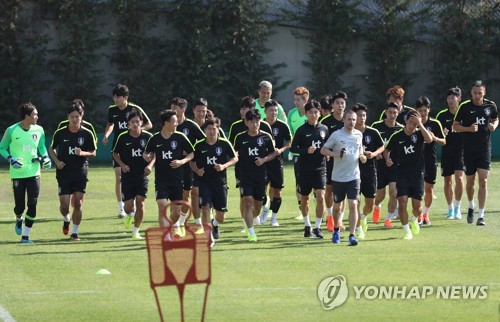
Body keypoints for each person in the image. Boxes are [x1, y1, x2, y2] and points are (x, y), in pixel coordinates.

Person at [0, 102, 51, 244]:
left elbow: (41, 146)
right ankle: (18, 218)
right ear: (27, 116)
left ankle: (25, 236)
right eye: (35, 114)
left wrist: (46, 157)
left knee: (33, 204)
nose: (37, 117)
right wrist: (11, 159)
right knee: (19, 207)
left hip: (34, 173)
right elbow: (2, 148)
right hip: (18, 174)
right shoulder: (11, 130)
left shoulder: (39, 130)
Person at [102, 84, 152, 218]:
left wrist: (136, 131)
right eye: (114, 96)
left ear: (126, 97)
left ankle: (133, 204)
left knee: (136, 176)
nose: (115, 99)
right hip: (120, 149)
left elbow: (149, 124)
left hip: (136, 148)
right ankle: (121, 209)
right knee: (119, 176)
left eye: (118, 97)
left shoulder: (135, 109)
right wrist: (106, 135)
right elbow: (110, 123)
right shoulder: (112, 110)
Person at [49, 100, 97, 241]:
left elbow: (93, 152)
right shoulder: (60, 133)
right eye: (72, 116)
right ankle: (66, 218)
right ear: (68, 117)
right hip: (64, 172)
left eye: (78, 116)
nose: (75, 119)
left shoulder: (87, 134)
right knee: (64, 206)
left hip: (80, 172)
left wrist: (82, 153)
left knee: (78, 203)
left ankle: (74, 232)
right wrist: (57, 162)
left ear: (82, 117)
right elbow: (51, 148)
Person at [453, 80, 498, 226]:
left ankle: (481, 215)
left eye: (480, 93)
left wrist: (494, 126)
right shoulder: (464, 107)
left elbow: (496, 118)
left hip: (484, 149)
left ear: (484, 92)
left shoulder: (490, 105)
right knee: (470, 181)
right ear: (471, 93)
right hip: (469, 150)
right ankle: (471, 205)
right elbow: (455, 126)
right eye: (475, 93)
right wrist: (468, 129)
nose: (477, 96)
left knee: (483, 181)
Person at [384, 110, 433, 239]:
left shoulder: (420, 134)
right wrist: (387, 159)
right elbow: (386, 150)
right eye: (410, 121)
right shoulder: (397, 136)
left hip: (417, 174)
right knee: (403, 201)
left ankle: (414, 219)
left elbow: (429, 140)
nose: (412, 124)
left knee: (417, 207)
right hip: (402, 174)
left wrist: (421, 125)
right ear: (405, 121)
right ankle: (407, 231)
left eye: (415, 122)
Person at [144, 110, 194, 235]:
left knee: (176, 213)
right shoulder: (154, 139)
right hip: (161, 181)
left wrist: (182, 162)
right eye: (175, 122)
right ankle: (165, 235)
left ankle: (172, 226)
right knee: (162, 208)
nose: (177, 124)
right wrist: (146, 157)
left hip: (177, 180)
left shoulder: (180, 137)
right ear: (166, 123)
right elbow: (146, 152)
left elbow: (192, 153)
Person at [191, 117, 238, 245]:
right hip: (204, 182)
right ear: (205, 130)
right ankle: (208, 238)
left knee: (221, 215)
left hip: (220, 183)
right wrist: (196, 170)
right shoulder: (199, 145)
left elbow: (235, 158)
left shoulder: (224, 143)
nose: (212, 131)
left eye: (214, 129)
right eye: (209, 129)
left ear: (218, 130)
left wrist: (224, 166)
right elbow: (191, 161)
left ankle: (215, 223)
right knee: (205, 208)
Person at [321, 110, 364, 246]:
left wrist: (362, 155)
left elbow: (360, 149)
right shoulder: (336, 135)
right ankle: (336, 230)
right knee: (337, 207)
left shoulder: (358, 134)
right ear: (344, 120)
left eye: (353, 119)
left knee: (353, 204)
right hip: (338, 177)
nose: (351, 122)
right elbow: (323, 150)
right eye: (349, 119)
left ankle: (352, 235)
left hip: (354, 176)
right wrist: (336, 154)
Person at [233, 110, 276, 242]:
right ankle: (251, 232)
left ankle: (251, 220)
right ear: (246, 122)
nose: (255, 124)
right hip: (244, 176)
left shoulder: (266, 137)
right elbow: (234, 152)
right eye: (252, 122)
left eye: (257, 121)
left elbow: (273, 153)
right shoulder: (240, 137)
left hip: (260, 176)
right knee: (247, 202)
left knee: (257, 206)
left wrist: (263, 160)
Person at [111, 109, 153, 239]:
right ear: (128, 123)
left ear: (141, 122)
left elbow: (155, 153)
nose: (135, 124)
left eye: (137, 121)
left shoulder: (148, 137)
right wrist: (122, 165)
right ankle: (129, 215)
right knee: (128, 207)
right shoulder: (122, 137)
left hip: (142, 175)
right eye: (132, 122)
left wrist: (150, 164)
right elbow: (115, 153)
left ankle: (136, 231)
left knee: (140, 203)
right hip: (128, 176)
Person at [290, 100, 329, 239]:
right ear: (306, 114)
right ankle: (307, 226)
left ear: (319, 113)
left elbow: (328, 146)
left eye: (316, 112)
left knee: (321, 196)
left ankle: (318, 227)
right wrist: (306, 150)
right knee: (305, 198)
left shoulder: (324, 129)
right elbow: (293, 148)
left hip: (320, 168)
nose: (313, 115)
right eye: (311, 112)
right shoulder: (301, 130)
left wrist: (328, 154)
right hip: (304, 168)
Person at [169, 97, 206, 234]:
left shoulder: (190, 125)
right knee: (174, 196)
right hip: (172, 165)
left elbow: (204, 141)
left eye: (175, 108)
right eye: (171, 107)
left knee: (187, 194)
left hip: (188, 165)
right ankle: (176, 224)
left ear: (183, 110)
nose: (172, 110)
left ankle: (181, 221)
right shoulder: (168, 124)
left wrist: (191, 150)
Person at [351, 103, 384, 239]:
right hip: (353, 172)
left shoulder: (372, 132)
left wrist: (374, 154)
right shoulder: (349, 133)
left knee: (370, 203)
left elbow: (382, 147)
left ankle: (363, 217)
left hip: (370, 171)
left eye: (363, 115)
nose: (361, 118)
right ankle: (358, 229)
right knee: (355, 202)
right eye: (359, 116)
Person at [260, 100, 292, 226]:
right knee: (261, 191)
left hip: (276, 162)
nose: (274, 113)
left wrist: (282, 150)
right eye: (271, 110)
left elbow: (289, 142)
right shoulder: (259, 124)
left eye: (275, 110)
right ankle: (265, 208)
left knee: (277, 190)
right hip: (262, 162)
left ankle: (274, 218)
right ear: (265, 111)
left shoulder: (283, 125)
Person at [371, 103, 403, 227]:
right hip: (379, 165)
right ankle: (376, 206)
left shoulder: (400, 129)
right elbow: (370, 142)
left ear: (398, 113)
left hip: (394, 166)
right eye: (390, 112)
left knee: (394, 192)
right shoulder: (377, 127)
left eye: (394, 113)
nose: (392, 115)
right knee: (380, 195)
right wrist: (376, 153)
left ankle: (388, 219)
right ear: (385, 112)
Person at [415, 96, 445, 225]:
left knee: (428, 188)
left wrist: (435, 138)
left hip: (430, 159)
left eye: (425, 110)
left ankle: (425, 214)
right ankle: (418, 214)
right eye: (420, 110)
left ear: (429, 110)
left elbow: (444, 141)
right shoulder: (412, 124)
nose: (422, 113)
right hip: (416, 160)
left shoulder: (435, 123)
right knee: (418, 189)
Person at [436, 87, 464, 219]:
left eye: (453, 97)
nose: (450, 100)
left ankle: (458, 207)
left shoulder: (464, 113)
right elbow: (436, 135)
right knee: (448, 181)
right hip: (447, 152)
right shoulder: (442, 115)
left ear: (459, 99)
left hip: (461, 152)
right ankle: (450, 208)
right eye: (449, 98)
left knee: (459, 178)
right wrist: (442, 134)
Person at [320, 92, 346, 232]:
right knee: (329, 190)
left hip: (345, 162)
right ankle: (330, 217)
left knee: (343, 191)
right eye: (337, 103)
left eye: (342, 103)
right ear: (333, 105)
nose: (340, 106)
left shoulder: (348, 120)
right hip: (329, 161)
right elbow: (322, 143)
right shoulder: (325, 123)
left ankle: (340, 220)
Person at [287, 87, 309, 220]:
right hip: (299, 154)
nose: (296, 102)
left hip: (313, 154)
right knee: (299, 182)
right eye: (294, 99)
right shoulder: (291, 114)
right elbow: (291, 133)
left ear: (305, 100)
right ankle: (302, 210)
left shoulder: (312, 113)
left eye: (298, 100)